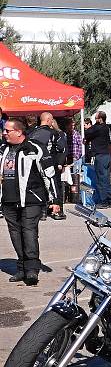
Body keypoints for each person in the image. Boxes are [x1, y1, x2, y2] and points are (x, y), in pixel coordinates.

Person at [0, 119, 58, 285]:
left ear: (19, 132)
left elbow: (49, 174)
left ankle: (32, 270)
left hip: (31, 199)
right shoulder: (2, 149)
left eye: (7, 130)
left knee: (29, 232)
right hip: (8, 200)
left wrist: (55, 200)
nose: (4, 133)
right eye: (4, 131)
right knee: (15, 234)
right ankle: (21, 268)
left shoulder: (34, 147)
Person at [28, 113, 67, 220]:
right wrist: (60, 162)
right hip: (49, 164)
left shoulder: (32, 133)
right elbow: (61, 148)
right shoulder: (53, 133)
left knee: (40, 187)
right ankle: (57, 212)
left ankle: (43, 212)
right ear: (49, 120)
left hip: (34, 165)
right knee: (54, 187)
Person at [84, 111, 111, 209]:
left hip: (100, 157)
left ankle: (103, 201)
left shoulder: (98, 128)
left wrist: (88, 137)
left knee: (100, 180)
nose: (94, 120)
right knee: (106, 179)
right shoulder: (106, 127)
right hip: (106, 156)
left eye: (96, 118)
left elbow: (88, 132)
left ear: (100, 119)